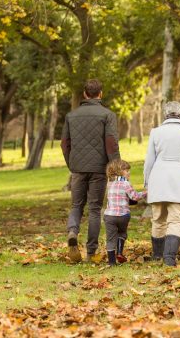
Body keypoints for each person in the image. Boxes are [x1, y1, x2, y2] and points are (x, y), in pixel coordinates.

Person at [61, 79, 120, 263]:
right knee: (95, 209)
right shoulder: (107, 115)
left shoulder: (71, 116)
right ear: (100, 94)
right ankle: (91, 252)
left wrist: (72, 164)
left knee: (76, 205)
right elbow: (111, 143)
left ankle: (72, 231)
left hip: (78, 168)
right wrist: (115, 166)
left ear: (85, 94)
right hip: (99, 169)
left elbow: (64, 144)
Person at [144, 101, 180, 267]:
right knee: (175, 220)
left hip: (158, 180)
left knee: (158, 219)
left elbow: (149, 162)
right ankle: (169, 258)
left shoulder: (155, 132)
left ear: (165, 114)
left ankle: (157, 255)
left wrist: (147, 182)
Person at [103, 159, 146, 265]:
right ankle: (120, 253)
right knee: (122, 232)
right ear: (120, 171)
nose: (129, 173)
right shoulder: (126, 183)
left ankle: (112, 262)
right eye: (127, 170)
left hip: (109, 216)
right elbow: (134, 197)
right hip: (123, 215)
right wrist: (145, 193)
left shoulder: (109, 184)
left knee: (110, 238)